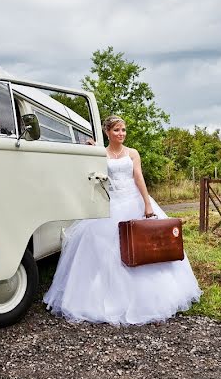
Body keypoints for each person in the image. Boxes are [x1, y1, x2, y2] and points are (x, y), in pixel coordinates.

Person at [44, 115, 201, 325]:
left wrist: (147, 204)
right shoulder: (101, 153)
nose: (121, 134)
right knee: (103, 246)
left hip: (133, 201)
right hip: (111, 203)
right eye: (117, 130)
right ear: (108, 132)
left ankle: (151, 298)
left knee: (144, 245)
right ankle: (102, 296)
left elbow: (138, 177)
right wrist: (94, 149)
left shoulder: (132, 153)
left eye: (124, 130)